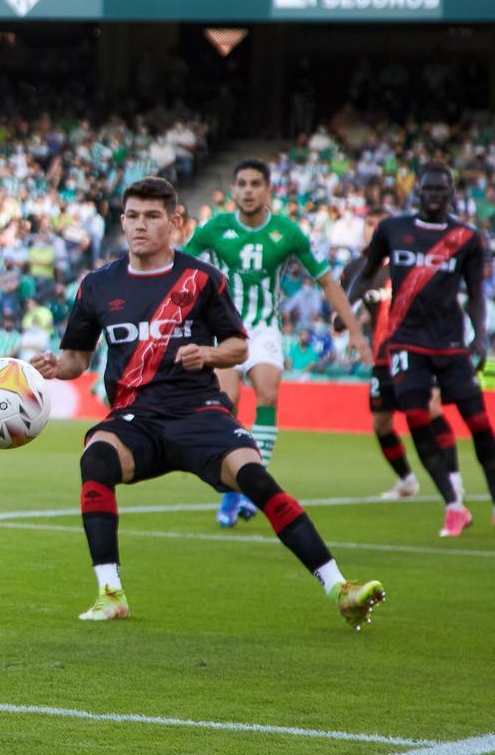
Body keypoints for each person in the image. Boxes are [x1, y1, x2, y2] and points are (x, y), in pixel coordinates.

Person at [31, 177, 384, 630]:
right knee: (95, 458)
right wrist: (53, 366)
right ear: (122, 221)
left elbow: (239, 347)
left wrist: (210, 354)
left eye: (152, 216)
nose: (140, 226)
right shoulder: (98, 285)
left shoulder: (200, 279)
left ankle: (341, 588)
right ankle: (109, 592)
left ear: (175, 222)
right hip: (136, 418)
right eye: (133, 216)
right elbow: (77, 358)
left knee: (254, 478)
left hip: (200, 411)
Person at [184, 158, 372, 527]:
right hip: (224, 330)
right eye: (242, 183)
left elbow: (327, 282)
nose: (249, 190)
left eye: (256, 183)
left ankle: (253, 485)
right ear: (234, 190)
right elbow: (177, 270)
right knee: (227, 404)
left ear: (268, 190)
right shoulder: (213, 229)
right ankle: (232, 489)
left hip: (265, 329)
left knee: (268, 395)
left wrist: (353, 329)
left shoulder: (288, 232)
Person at [353, 163, 495, 536]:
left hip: (450, 343)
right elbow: (365, 270)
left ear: (451, 194)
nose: (433, 196)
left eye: (440, 190)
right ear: (417, 192)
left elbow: (477, 295)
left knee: (479, 422)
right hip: (405, 342)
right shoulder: (392, 229)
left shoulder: (467, 238)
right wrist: (348, 312)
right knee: (416, 418)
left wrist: (479, 338)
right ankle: (453, 504)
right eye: (427, 189)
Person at [338, 243, 461, 501]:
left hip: (416, 350)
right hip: (382, 356)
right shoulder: (360, 270)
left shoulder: (416, 264)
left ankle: (453, 478)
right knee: (381, 422)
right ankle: (406, 480)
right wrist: (354, 328)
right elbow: (346, 313)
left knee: (430, 408)